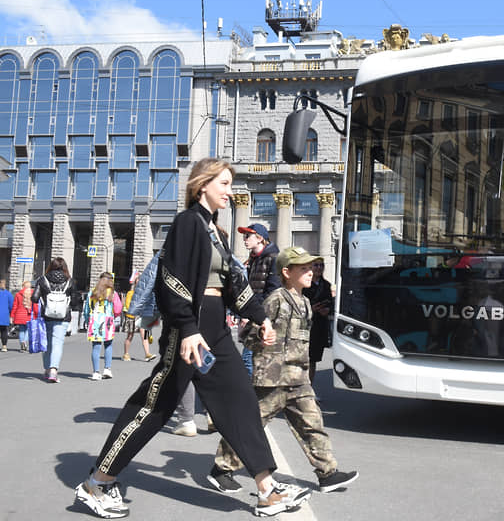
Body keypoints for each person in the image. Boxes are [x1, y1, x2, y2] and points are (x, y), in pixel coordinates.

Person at [74, 158, 310, 519]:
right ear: (203, 185)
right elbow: (173, 278)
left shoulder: (214, 229)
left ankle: (267, 490)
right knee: (156, 404)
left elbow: (232, 282)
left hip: (215, 325)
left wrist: (260, 318)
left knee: (239, 399)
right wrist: (186, 327)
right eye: (225, 183)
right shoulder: (188, 222)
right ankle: (98, 482)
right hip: (193, 323)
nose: (231, 191)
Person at [207, 246, 358, 496]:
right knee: (250, 425)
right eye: (304, 268)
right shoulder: (276, 299)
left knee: (312, 423)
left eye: (312, 268)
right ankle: (221, 470)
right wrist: (261, 335)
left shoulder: (305, 302)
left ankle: (327, 474)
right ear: (287, 272)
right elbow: (248, 334)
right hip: (272, 379)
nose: (311, 272)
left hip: (297, 378)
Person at [236, 222, 280, 376]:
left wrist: (252, 314)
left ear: (260, 238)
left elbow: (272, 291)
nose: (244, 239)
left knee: (249, 359)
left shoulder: (273, 258)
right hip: (254, 315)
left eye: (248, 236)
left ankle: (249, 397)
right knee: (254, 359)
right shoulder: (254, 259)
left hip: (263, 317)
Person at [32, 257, 76, 383]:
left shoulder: (43, 279)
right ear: (65, 267)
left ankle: (46, 369)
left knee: (46, 343)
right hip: (63, 317)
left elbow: (34, 298)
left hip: (46, 316)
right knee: (57, 343)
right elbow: (74, 300)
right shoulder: (70, 281)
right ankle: (53, 370)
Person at [83, 272, 123, 380]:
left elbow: (87, 308)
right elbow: (118, 308)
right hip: (108, 321)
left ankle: (96, 372)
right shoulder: (113, 293)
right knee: (108, 345)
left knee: (96, 347)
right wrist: (115, 315)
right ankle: (107, 369)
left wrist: (87, 319)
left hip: (95, 320)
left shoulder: (93, 292)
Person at [302, 259, 334, 383]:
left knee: (313, 360)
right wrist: (311, 309)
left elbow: (331, 303)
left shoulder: (326, 285)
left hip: (319, 326)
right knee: (302, 359)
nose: (319, 268)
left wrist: (327, 310)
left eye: (322, 265)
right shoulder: (304, 283)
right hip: (305, 325)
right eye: (316, 265)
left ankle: (309, 388)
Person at [121, 273, 157, 362]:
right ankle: (126, 353)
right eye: (138, 282)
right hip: (132, 317)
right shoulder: (130, 293)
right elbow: (129, 305)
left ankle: (147, 354)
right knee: (130, 336)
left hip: (142, 317)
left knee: (144, 336)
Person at [11, 280, 38, 352]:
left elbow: (15, 306)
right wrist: (37, 314)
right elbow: (35, 306)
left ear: (23, 286)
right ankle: (25, 342)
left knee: (21, 330)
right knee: (28, 330)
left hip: (19, 315)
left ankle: (22, 344)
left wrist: (12, 315)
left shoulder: (18, 294)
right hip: (29, 315)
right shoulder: (33, 294)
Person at [0, 279, 14, 352]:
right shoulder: (8, 294)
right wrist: (11, 315)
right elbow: (11, 306)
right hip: (4, 315)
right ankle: (4, 346)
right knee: (4, 331)